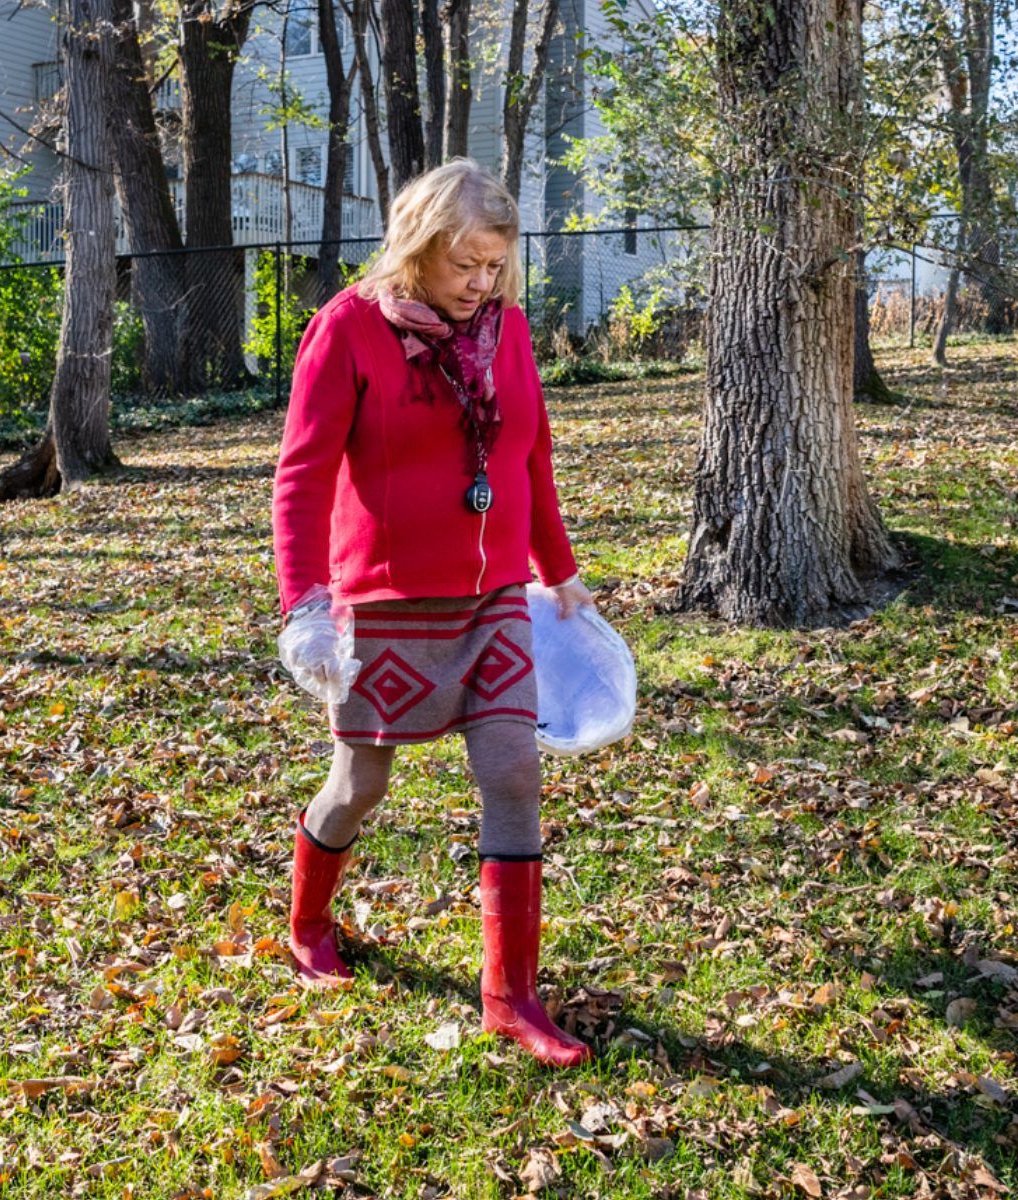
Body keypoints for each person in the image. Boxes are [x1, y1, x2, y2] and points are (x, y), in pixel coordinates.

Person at [271, 158, 596, 1068]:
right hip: (383, 602)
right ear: (416, 248)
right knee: (360, 785)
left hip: (492, 596)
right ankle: (306, 922)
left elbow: (529, 453)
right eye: (464, 265)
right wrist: (305, 606)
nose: (481, 284)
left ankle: (511, 996)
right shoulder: (346, 330)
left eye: (495, 266)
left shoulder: (511, 332)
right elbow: (300, 478)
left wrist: (557, 571)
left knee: (513, 771)